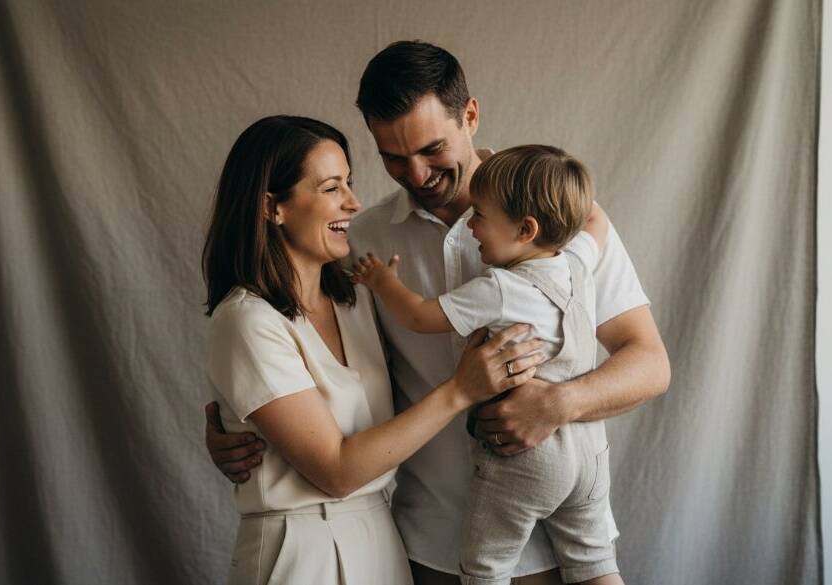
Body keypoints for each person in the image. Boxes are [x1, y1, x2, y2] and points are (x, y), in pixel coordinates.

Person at [205, 41, 671, 585]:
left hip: (555, 542)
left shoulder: (557, 221)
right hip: (424, 548)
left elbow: (649, 364)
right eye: (393, 158)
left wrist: (557, 403)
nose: (418, 173)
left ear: (470, 116)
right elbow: (301, 352)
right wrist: (242, 432)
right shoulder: (363, 241)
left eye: (432, 149)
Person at [203, 114, 543, 585]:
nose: (353, 201)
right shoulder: (247, 320)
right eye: (330, 188)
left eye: (350, 182)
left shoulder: (356, 298)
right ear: (271, 207)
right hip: (301, 554)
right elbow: (336, 471)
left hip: (382, 541)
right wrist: (461, 390)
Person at [353, 144, 624, 585]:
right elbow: (596, 220)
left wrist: (384, 282)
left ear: (525, 228)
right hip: (590, 453)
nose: (471, 225)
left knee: (484, 567)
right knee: (595, 563)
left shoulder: (499, 287)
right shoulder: (576, 263)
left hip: (529, 461)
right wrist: (564, 193)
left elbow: (420, 315)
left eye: (479, 215)